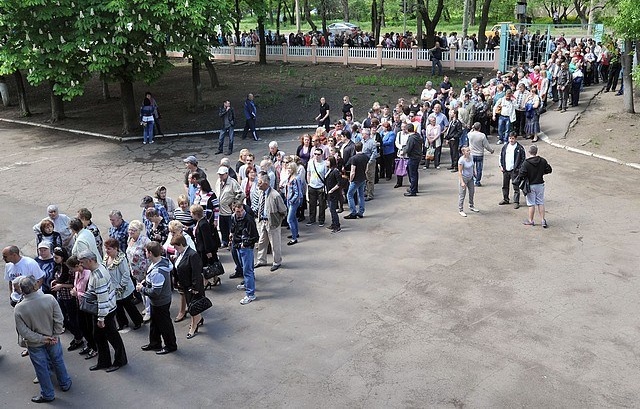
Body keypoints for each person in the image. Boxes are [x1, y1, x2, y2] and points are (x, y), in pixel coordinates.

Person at [14, 275, 72, 403]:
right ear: (35, 286)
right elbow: (59, 319)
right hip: (53, 339)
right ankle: (65, 382)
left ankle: (47, 394)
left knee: (41, 369)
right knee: (58, 360)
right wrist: (54, 336)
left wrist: (41, 339)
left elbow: (23, 331)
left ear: (22, 290)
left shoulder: (19, 308)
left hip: (35, 344)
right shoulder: (49, 299)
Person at [77, 250, 128, 372]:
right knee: (99, 337)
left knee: (113, 337)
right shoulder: (98, 268)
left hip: (105, 312)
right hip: (102, 311)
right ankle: (104, 361)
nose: (81, 265)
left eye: (82, 262)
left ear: (90, 261)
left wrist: (101, 318)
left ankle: (120, 360)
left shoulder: (98, 276)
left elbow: (103, 299)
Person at [137, 242, 177, 354]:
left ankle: (171, 345)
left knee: (164, 325)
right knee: (155, 323)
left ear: (150, 253)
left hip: (160, 302)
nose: (145, 253)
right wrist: (145, 282)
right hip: (158, 301)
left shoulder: (158, 272)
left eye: (146, 251)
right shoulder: (161, 261)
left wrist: (142, 289)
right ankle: (155, 343)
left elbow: (155, 292)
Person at [103, 238, 143, 332]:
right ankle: (122, 323)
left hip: (123, 288)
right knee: (118, 308)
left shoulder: (121, 259)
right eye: (106, 248)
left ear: (116, 248)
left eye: (109, 249)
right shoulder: (107, 257)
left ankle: (138, 321)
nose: (106, 250)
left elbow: (126, 274)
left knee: (129, 306)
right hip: (113, 288)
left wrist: (121, 286)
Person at [50, 247, 84, 352]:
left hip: (69, 297)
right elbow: (58, 277)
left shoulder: (70, 269)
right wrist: (55, 281)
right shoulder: (58, 266)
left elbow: (73, 285)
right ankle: (77, 336)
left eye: (57, 257)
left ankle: (78, 338)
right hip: (60, 296)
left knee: (73, 319)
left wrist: (61, 285)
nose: (54, 259)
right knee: (63, 318)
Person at [171, 235, 205, 339]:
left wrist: (195, 288)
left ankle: (193, 327)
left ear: (181, 244)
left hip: (192, 287)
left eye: (175, 246)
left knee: (192, 308)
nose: (174, 249)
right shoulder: (181, 254)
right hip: (185, 285)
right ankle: (199, 319)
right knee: (193, 306)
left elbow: (196, 273)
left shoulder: (192, 255)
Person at [66, 256, 97, 359]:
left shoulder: (88, 275)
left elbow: (90, 293)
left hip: (87, 305)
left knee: (89, 328)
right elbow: (76, 285)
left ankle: (94, 347)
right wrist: (75, 290)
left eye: (71, 268)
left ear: (77, 266)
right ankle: (89, 344)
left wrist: (77, 293)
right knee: (82, 326)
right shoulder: (77, 273)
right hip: (80, 304)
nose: (71, 271)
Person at [229, 201, 259, 305]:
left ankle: (250, 294)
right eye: (238, 211)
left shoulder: (249, 220)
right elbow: (233, 228)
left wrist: (245, 244)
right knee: (245, 267)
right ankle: (248, 285)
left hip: (245, 248)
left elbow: (255, 237)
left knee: (247, 271)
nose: (240, 213)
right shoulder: (234, 217)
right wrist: (231, 234)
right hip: (238, 245)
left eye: (241, 210)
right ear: (234, 210)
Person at [519, 145, 552, 227]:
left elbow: (521, 174)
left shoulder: (526, 163)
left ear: (529, 152)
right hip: (540, 184)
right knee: (540, 202)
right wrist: (542, 173)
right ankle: (543, 220)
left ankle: (531, 220)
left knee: (531, 203)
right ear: (536, 151)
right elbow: (549, 170)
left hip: (530, 185)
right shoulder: (543, 161)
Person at [215, 165, 245, 247]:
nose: (220, 176)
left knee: (231, 228)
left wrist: (234, 203)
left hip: (229, 211)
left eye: (222, 174)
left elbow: (241, 194)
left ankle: (232, 243)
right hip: (221, 211)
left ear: (227, 174)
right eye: (219, 174)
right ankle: (225, 241)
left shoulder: (232, 182)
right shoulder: (218, 182)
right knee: (222, 228)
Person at [499, 132, 526, 209]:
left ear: (516, 139)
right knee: (505, 185)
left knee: (516, 187)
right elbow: (501, 156)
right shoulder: (505, 147)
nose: (511, 140)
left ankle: (516, 201)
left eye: (513, 138)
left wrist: (519, 169)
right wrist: (501, 166)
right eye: (510, 138)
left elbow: (523, 159)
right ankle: (505, 199)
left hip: (514, 171)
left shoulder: (520, 148)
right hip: (505, 170)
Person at [343, 141, 368, 218]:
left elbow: (353, 171)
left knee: (349, 195)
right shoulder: (366, 157)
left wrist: (351, 180)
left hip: (356, 179)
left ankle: (353, 212)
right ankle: (361, 212)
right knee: (361, 195)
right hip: (363, 178)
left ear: (355, 148)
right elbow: (366, 169)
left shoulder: (354, 158)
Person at [467, 122, 494, 187]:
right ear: (480, 128)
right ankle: (478, 181)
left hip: (472, 153)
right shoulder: (482, 135)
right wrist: (491, 150)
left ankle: (473, 179)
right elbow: (486, 145)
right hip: (479, 154)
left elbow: (469, 132)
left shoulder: (470, 134)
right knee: (479, 169)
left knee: (471, 168)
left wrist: (472, 128)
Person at [306, 147, 327, 226]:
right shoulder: (310, 162)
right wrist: (309, 183)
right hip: (312, 185)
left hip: (320, 186)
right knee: (312, 204)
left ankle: (321, 220)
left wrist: (325, 187)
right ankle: (312, 219)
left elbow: (326, 176)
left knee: (322, 205)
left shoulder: (324, 164)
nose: (316, 156)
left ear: (321, 155)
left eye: (318, 154)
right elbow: (308, 173)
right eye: (315, 154)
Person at [457, 146, 480, 217]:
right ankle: (460, 209)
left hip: (471, 178)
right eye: (467, 151)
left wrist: (474, 172)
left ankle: (471, 206)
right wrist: (462, 182)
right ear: (463, 152)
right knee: (462, 194)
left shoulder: (471, 157)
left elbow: (472, 165)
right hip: (464, 178)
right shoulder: (461, 160)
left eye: (469, 150)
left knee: (472, 192)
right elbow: (460, 172)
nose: (469, 152)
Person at [285, 161, 304, 244]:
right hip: (289, 200)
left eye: (289, 168)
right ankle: (295, 233)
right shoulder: (290, 177)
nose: (288, 169)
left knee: (289, 220)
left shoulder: (296, 178)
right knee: (293, 218)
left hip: (293, 201)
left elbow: (298, 192)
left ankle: (294, 238)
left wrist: (292, 200)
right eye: (287, 168)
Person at [404, 123, 423, 197]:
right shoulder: (417, 136)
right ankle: (414, 187)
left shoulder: (411, 138)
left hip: (413, 157)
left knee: (412, 174)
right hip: (417, 156)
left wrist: (403, 151)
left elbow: (408, 148)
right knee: (414, 173)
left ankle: (413, 191)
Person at [324, 156, 343, 233]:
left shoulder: (335, 171)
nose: (326, 162)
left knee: (333, 210)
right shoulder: (329, 170)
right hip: (329, 193)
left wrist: (332, 190)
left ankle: (337, 225)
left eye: (327, 161)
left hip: (333, 194)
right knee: (331, 210)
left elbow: (339, 183)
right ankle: (333, 223)